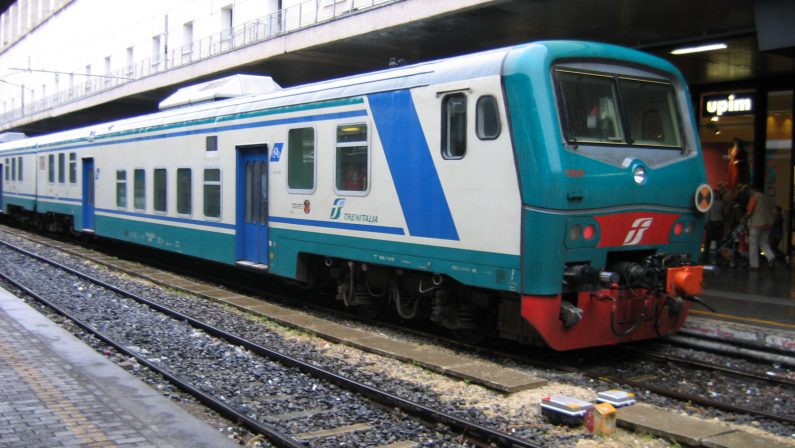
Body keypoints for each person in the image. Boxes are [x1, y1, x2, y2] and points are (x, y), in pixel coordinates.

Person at [743, 186, 775, 269]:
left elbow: (749, 212)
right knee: (763, 242)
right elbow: (773, 211)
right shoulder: (767, 198)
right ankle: (771, 256)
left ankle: (754, 265)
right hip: (768, 223)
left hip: (756, 224)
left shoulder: (754, 198)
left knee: (753, 243)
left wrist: (744, 218)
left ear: (751, 191)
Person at [703, 186, 725, 262]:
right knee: (718, 241)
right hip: (719, 222)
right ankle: (718, 256)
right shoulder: (722, 203)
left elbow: (707, 214)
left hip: (712, 222)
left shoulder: (709, 203)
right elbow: (724, 213)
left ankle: (705, 256)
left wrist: (706, 223)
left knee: (708, 241)